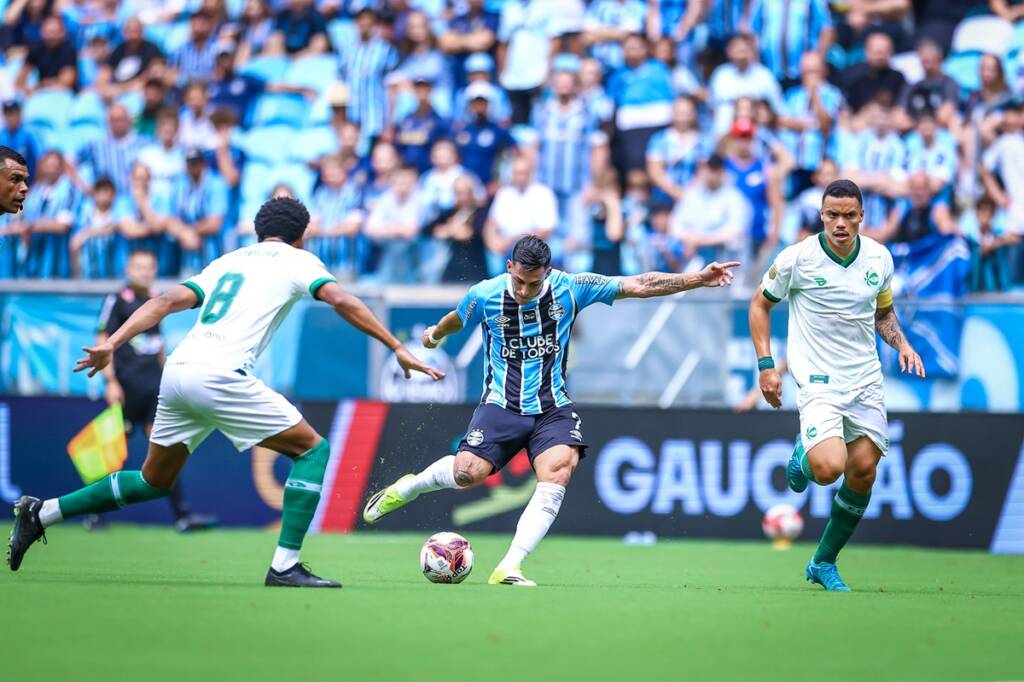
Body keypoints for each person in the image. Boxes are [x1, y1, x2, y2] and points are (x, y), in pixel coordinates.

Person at [8, 196, 444, 586]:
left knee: (152, 480)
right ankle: (285, 566)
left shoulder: (227, 261)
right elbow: (343, 301)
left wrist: (111, 343)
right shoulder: (297, 261)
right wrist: (396, 347)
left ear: (257, 230)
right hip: (219, 374)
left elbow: (162, 303)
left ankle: (42, 511)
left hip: (178, 372)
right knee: (312, 451)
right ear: (302, 236)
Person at [362, 235, 739, 586]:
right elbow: (457, 318)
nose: (526, 291)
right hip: (501, 405)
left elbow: (637, 284)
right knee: (467, 473)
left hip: (552, 407)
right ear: (509, 266)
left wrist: (697, 279)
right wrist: (434, 335)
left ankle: (510, 565)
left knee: (557, 472)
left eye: (535, 283)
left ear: (548, 272)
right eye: (521, 282)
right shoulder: (486, 294)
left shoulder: (571, 287)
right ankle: (408, 487)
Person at [749, 178, 925, 592]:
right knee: (829, 469)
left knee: (863, 470)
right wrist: (766, 366)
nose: (840, 223)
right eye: (832, 215)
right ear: (821, 215)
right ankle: (804, 456)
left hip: (864, 379)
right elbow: (760, 304)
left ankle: (823, 562)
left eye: (849, 215)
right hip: (818, 378)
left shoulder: (880, 259)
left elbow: (883, 315)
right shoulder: (798, 258)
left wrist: (903, 344)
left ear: (862, 216)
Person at [88, 250, 220, 532]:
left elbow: (156, 343)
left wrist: (166, 375)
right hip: (125, 389)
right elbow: (102, 339)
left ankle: (182, 515)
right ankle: (95, 513)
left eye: (149, 267)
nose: (144, 272)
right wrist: (110, 381)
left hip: (153, 390)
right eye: (138, 267)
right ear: (128, 268)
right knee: (114, 452)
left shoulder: (156, 300)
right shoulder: (116, 301)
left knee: (164, 449)